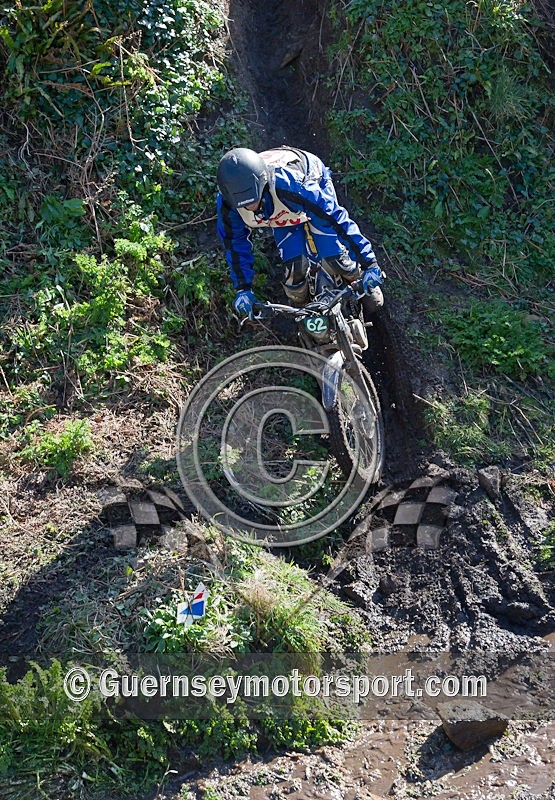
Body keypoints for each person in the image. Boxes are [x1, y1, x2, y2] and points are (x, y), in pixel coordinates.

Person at [215, 146, 385, 318]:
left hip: (311, 181)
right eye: (243, 204)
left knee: (334, 255)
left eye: (255, 198)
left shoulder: (292, 186)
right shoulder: (228, 206)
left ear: (262, 182)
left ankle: (358, 275)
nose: (251, 207)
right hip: (282, 213)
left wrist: (369, 262)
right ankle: (304, 314)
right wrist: (243, 288)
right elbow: (235, 244)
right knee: (295, 277)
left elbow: (335, 218)